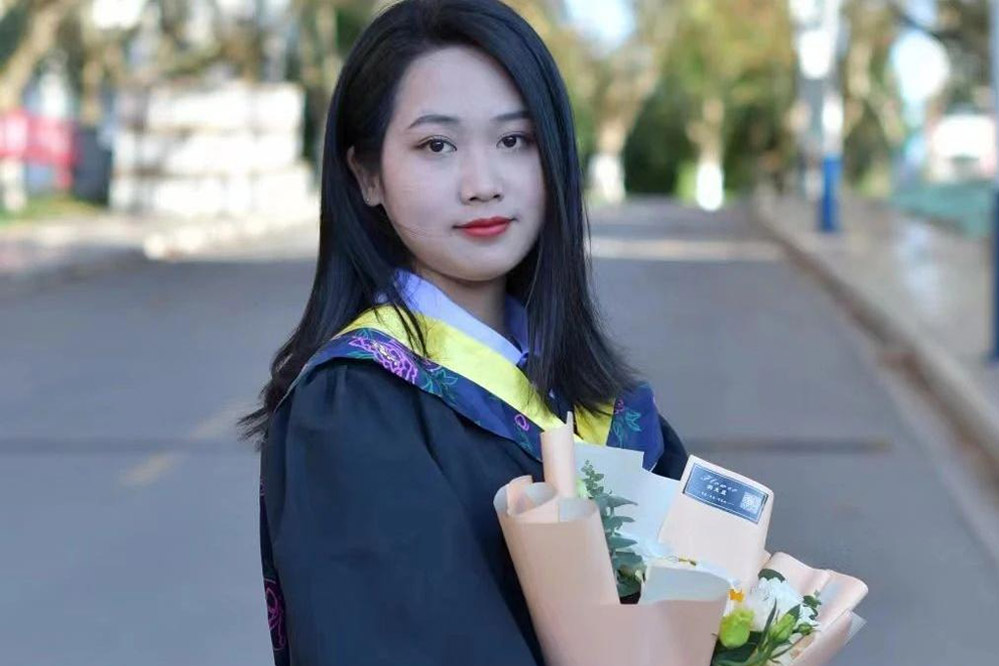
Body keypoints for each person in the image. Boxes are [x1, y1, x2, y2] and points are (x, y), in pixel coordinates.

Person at [239, 1, 690, 664]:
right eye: (436, 146)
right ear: (366, 174)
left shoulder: (593, 399)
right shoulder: (355, 409)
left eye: (514, 140)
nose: (482, 185)